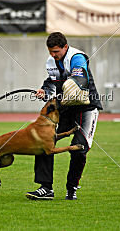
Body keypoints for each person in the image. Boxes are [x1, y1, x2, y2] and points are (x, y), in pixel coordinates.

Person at [25, 32, 103, 200]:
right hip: (65, 109)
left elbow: (79, 79)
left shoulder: (77, 58)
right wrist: (44, 91)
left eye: (56, 52)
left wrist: (70, 84)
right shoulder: (51, 61)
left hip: (86, 108)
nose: (53, 56)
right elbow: (52, 83)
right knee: (43, 142)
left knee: (79, 148)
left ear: (65, 47)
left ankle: (72, 187)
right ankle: (46, 188)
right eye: (50, 52)